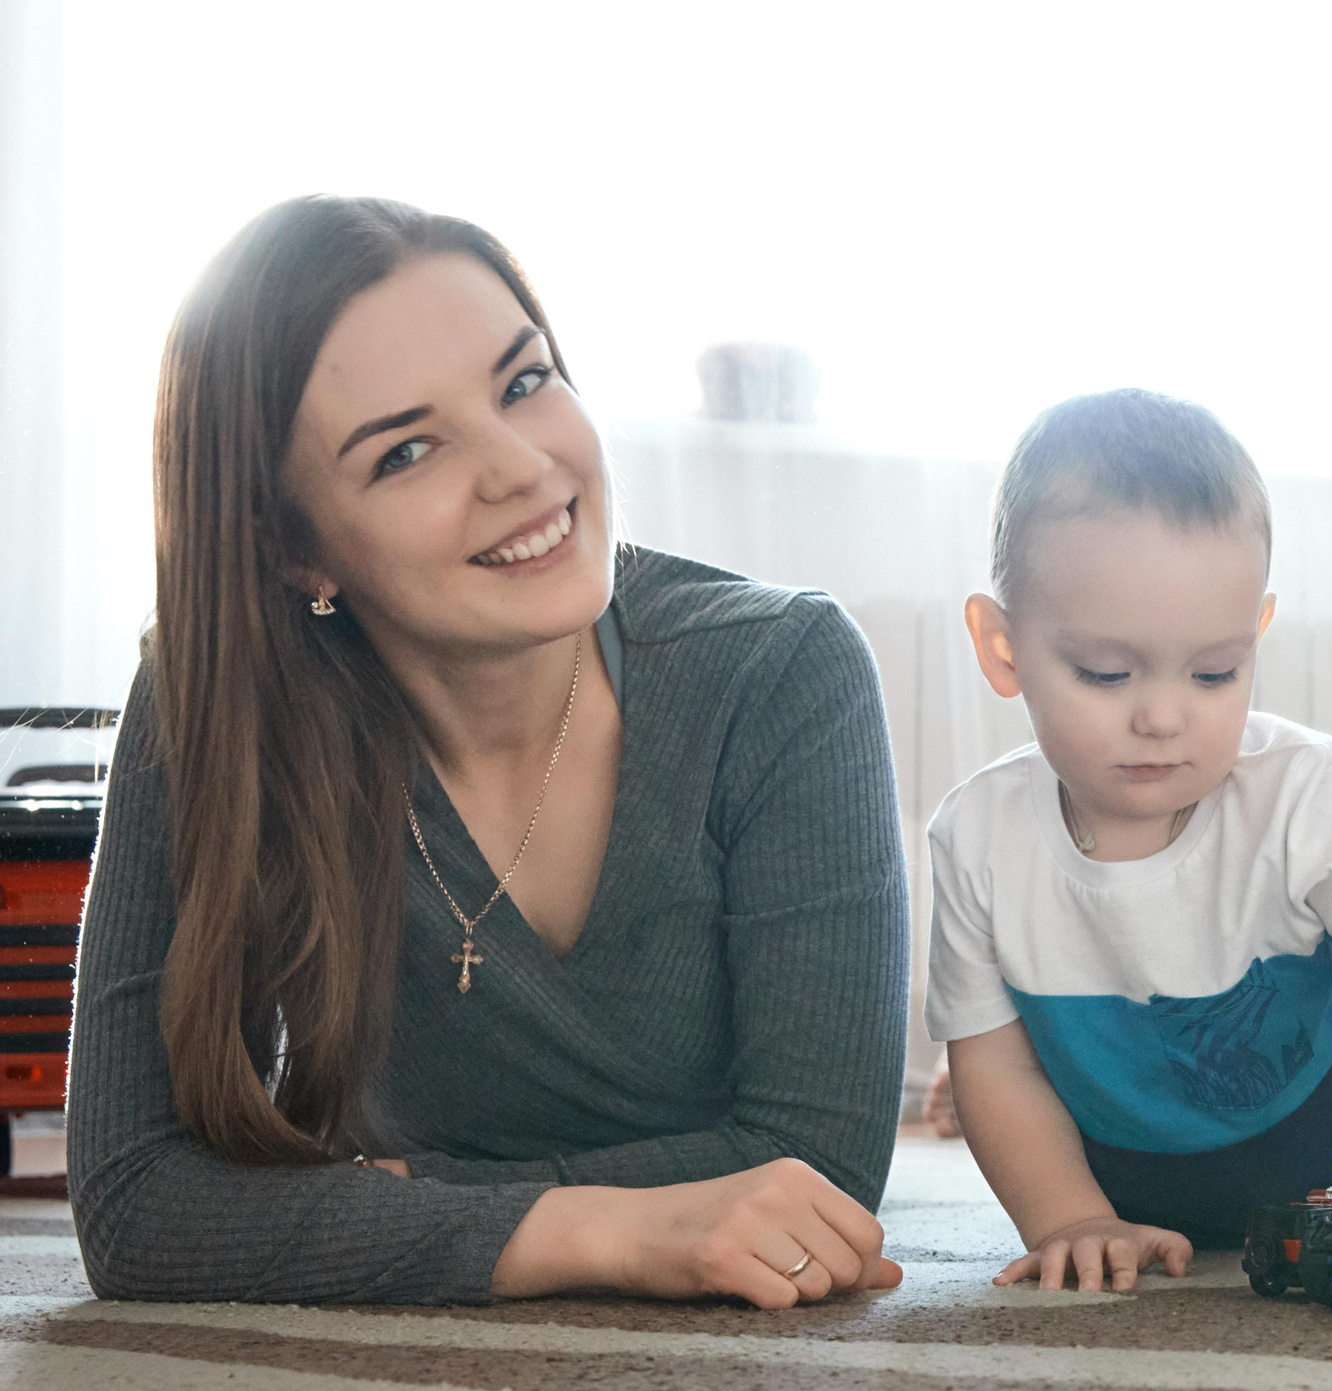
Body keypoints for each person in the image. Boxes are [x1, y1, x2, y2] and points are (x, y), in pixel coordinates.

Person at [67, 197, 906, 1308]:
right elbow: (134, 1206)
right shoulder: (216, 702)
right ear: (293, 551)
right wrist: (595, 1231)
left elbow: (820, 1169)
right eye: (407, 451)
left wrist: (404, 1202)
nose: (519, 467)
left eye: (524, 382)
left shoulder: (780, 670)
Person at [929, 390, 1332, 1292]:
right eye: (1105, 671)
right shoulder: (978, 837)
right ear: (1002, 646)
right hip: (1125, 1179)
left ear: (1254, 635)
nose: (1164, 715)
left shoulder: (1291, 787)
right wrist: (1070, 1216)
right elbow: (998, 1067)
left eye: (1215, 672)